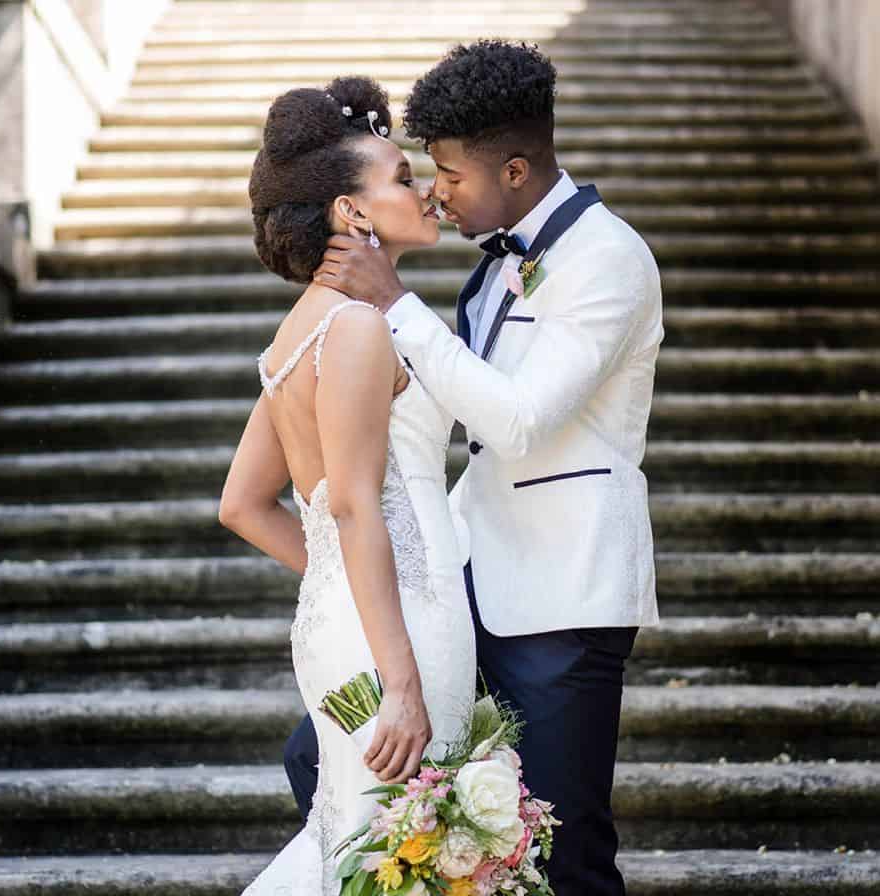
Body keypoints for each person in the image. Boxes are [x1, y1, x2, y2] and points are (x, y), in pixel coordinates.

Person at [304, 40, 665, 895]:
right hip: (471, 576)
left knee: (565, 849)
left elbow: (520, 423)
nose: (437, 192)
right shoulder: (495, 266)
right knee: (339, 762)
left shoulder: (609, 259)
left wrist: (395, 304)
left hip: (564, 599)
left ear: (513, 168)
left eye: (452, 177)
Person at [218, 74, 477, 895]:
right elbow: (356, 501)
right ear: (351, 213)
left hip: (343, 623)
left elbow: (242, 504)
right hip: (398, 632)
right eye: (401, 178)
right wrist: (400, 675)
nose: (426, 191)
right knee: (401, 857)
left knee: (374, 849)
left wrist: (337, 578)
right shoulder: (361, 327)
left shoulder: (297, 334)